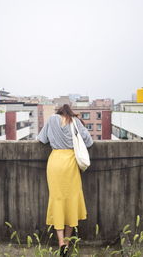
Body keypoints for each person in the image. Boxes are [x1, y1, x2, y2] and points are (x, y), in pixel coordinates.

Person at [37, 104, 93, 255]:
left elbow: (42, 139)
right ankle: (67, 242)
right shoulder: (75, 121)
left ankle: (61, 242)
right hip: (70, 163)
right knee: (71, 201)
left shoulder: (51, 119)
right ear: (70, 112)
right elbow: (89, 142)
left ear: (59, 112)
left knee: (57, 200)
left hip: (54, 162)